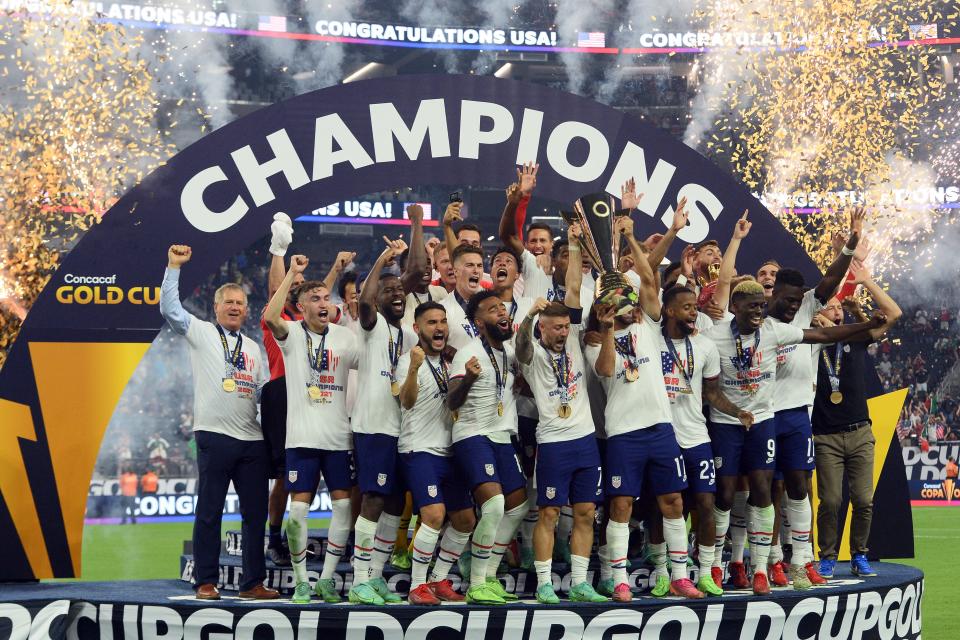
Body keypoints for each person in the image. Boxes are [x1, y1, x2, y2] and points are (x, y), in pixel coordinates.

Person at [702, 279, 887, 595]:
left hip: (763, 422)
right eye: (752, 306)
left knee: (765, 490)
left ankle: (762, 569)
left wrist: (866, 324)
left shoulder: (773, 332)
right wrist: (735, 411)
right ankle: (714, 566)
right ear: (734, 307)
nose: (759, 311)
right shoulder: (712, 337)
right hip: (725, 424)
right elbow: (709, 390)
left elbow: (825, 334)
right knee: (725, 494)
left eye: (762, 305)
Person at [586, 215, 698, 602]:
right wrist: (604, 331)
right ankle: (617, 578)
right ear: (604, 306)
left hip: (660, 428)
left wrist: (632, 237)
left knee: (674, 501)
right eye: (618, 301)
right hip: (623, 433)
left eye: (629, 299)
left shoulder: (649, 326)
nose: (629, 305)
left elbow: (649, 278)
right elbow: (604, 371)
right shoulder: (597, 341)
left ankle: (681, 575)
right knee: (620, 503)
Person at [160, 244, 277, 600]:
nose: (234, 307)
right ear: (216, 307)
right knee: (209, 512)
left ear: (245, 310)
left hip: (251, 441)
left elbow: (262, 396)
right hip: (214, 435)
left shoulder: (254, 349)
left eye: (239, 303)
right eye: (228, 302)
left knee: (255, 517)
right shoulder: (201, 332)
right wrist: (173, 267)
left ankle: (253, 583)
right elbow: (170, 308)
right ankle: (206, 581)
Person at [516, 225, 609, 604]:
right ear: (542, 328)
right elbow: (521, 345)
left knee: (586, 512)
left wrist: (573, 243)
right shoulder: (533, 355)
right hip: (553, 442)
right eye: (554, 327)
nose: (560, 332)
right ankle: (542, 584)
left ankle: (581, 582)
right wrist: (527, 319)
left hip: (585, 439)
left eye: (563, 326)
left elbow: (573, 288)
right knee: (550, 513)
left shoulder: (573, 337)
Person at [264, 255, 359, 604]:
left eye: (326, 298)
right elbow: (270, 316)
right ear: (301, 307)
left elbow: (371, 359)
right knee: (299, 513)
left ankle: (328, 579)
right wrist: (291, 274)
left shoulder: (345, 338)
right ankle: (302, 580)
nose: (323, 303)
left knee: (344, 510)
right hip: (302, 439)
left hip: (337, 439)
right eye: (315, 299)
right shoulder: (290, 334)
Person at [658, 284, 754, 597]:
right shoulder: (650, 340)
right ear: (670, 310)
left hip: (697, 435)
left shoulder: (705, 348)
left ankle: (706, 573)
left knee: (706, 503)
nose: (693, 313)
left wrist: (737, 410)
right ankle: (667, 573)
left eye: (694, 307)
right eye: (686, 307)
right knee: (665, 506)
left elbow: (711, 393)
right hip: (661, 435)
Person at [813, 266, 901, 579]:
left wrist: (865, 281)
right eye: (829, 306)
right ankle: (827, 556)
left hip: (860, 431)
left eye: (839, 307)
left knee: (864, 500)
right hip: (825, 435)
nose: (835, 311)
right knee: (831, 500)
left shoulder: (857, 339)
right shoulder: (808, 342)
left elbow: (893, 312)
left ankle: (859, 555)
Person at [348, 236, 418, 605]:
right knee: (373, 497)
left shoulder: (406, 334)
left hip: (400, 428)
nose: (397, 294)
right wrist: (383, 259)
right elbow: (363, 301)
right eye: (388, 290)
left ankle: (375, 576)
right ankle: (360, 579)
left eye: (400, 290)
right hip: (373, 425)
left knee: (393, 501)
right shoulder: (371, 326)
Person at [448, 290, 530, 605]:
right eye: (493, 309)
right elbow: (451, 401)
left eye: (502, 307)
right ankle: (476, 582)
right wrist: (467, 379)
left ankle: (490, 575)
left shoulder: (508, 353)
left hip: (502, 435)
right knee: (494, 506)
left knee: (518, 505)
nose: (502, 311)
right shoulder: (468, 353)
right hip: (472, 435)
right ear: (480, 323)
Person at [397, 302, 477, 605]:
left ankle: (439, 579)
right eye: (431, 322)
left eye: (443, 321)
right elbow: (406, 401)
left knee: (466, 520)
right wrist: (416, 367)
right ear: (418, 329)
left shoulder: (450, 364)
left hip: (449, 450)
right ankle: (417, 587)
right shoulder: (408, 361)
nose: (439, 327)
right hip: (419, 449)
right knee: (433, 514)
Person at [259, 212, 304, 566]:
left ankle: (290, 538)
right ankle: (274, 540)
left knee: (308, 476)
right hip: (282, 393)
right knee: (284, 478)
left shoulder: (311, 324)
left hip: (311, 395)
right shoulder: (279, 321)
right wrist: (280, 250)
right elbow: (278, 291)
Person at [440, 243, 486, 349]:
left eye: (479, 266)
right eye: (469, 265)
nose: (476, 270)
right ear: (455, 271)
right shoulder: (443, 309)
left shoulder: (492, 304)